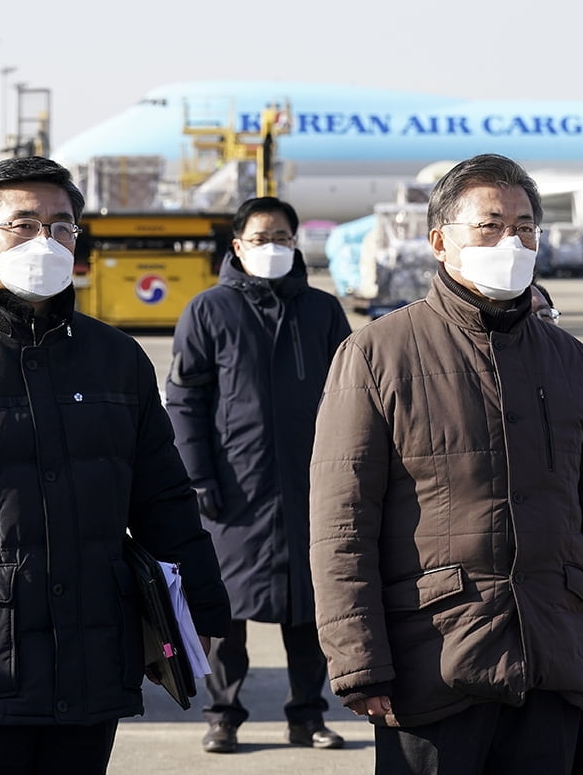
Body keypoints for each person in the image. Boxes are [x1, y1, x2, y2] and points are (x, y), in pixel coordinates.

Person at [308, 153, 583, 775]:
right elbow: (341, 525)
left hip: (553, 662)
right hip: (431, 669)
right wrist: (359, 662)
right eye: (489, 225)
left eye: (524, 227)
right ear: (440, 242)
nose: (510, 240)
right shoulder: (377, 353)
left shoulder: (572, 361)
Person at [0, 156, 231, 774]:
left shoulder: (117, 360)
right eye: (23, 225)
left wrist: (204, 616)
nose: (45, 240)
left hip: (90, 664)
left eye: (61, 226)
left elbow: (165, 500)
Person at [166, 196, 351, 754]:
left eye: (283, 238)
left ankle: (307, 716)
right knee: (226, 616)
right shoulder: (209, 310)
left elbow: (351, 398)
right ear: (238, 246)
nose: (273, 248)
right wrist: (198, 479)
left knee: (310, 614)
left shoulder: (322, 311)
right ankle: (223, 714)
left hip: (308, 490)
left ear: (297, 245)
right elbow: (185, 401)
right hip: (235, 491)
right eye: (261, 237)